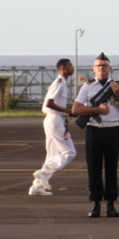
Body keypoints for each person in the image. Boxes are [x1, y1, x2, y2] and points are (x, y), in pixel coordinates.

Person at [72, 53, 119, 218]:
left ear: (110, 68)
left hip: (112, 130)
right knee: (93, 168)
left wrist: (118, 93)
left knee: (111, 169)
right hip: (94, 130)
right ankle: (95, 204)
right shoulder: (88, 86)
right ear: (94, 68)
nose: (101, 68)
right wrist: (97, 110)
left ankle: (111, 205)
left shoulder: (118, 86)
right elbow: (76, 110)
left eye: (104, 65)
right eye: (98, 65)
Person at [29, 59, 77, 196]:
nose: (72, 67)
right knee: (69, 152)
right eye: (70, 65)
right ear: (63, 68)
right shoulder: (59, 83)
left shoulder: (62, 82)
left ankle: (37, 187)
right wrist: (66, 110)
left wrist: (64, 110)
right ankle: (43, 173)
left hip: (53, 119)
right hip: (54, 119)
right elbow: (48, 103)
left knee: (52, 155)